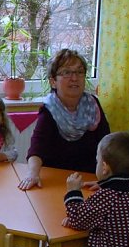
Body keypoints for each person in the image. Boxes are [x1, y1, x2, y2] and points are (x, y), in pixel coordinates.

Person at [18, 49, 110, 190]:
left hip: (89, 180)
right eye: (67, 72)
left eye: (79, 72)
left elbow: (107, 146)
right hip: (58, 180)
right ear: (53, 81)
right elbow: (37, 149)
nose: (75, 78)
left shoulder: (94, 105)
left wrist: (106, 180)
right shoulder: (49, 110)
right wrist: (32, 174)